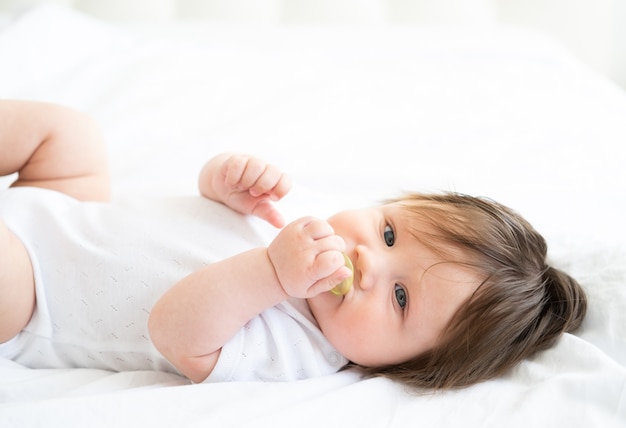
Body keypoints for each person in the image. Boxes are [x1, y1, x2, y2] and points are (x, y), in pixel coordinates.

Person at [0, 100, 587, 390]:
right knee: (69, 131)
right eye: (388, 234)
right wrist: (226, 181)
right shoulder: (307, 222)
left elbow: (174, 331)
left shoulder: (301, 349)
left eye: (401, 298)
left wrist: (273, 276)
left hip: (35, 293)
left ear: (404, 366)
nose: (368, 260)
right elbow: (197, 206)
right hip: (74, 209)